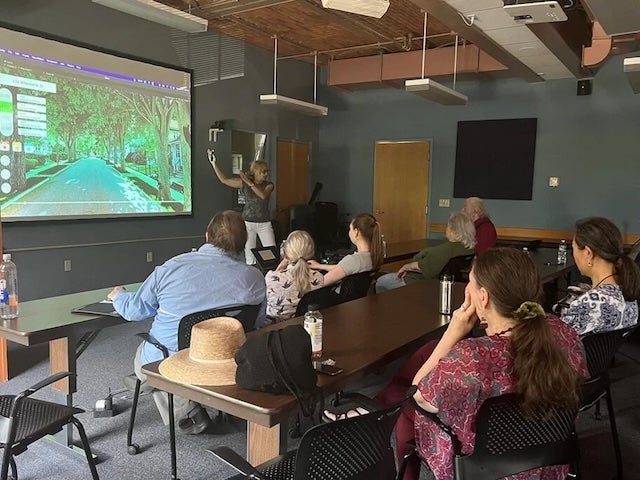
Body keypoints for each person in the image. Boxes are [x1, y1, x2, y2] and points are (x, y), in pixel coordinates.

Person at [326, 248, 588, 480]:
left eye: (470, 283)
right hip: (549, 461)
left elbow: (416, 395)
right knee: (428, 356)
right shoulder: (564, 333)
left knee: (407, 410)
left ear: (482, 297)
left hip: (481, 467)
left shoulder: (470, 358)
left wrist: (452, 333)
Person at [108, 210, 266, 434]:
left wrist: (118, 296)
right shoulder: (255, 278)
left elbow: (135, 311)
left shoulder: (172, 268)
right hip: (226, 358)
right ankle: (156, 387)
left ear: (207, 236)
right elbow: (258, 321)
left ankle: (186, 411)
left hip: (177, 357)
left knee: (144, 357)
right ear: (244, 243)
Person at [560, 217, 640, 336]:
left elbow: (553, 346)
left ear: (588, 254)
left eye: (573, 248)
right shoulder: (629, 295)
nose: (574, 255)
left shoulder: (587, 306)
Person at [375, 212, 475, 292]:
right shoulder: (469, 249)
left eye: (448, 226)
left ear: (454, 231)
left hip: (418, 282)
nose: (446, 229)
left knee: (381, 281)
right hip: (441, 283)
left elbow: (423, 267)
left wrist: (405, 267)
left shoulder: (445, 250)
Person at [208, 149, 275, 265]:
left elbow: (262, 196)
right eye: (263, 171)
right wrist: (214, 164)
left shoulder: (268, 185)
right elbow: (224, 180)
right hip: (248, 223)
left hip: (264, 223)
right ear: (256, 171)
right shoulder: (244, 183)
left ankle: (272, 278)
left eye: (266, 171)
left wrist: (249, 183)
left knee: (271, 252)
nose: (266, 174)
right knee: (249, 256)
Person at [308, 213, 383, 287]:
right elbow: (343, 268)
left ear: (356, 232)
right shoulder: (372, 256)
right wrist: (320, 266)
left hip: (335, 297)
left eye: (350, 229)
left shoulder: (353, 260)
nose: (349, 232)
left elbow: (320, 283)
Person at [265, 230, 324, 322]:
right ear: (312, 252)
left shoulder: (271, 278)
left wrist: (278, 269)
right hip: (305, 326)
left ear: (285, 254)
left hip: (275, 330)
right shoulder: (319, 277)